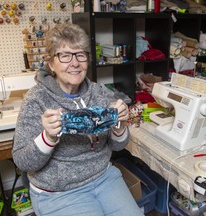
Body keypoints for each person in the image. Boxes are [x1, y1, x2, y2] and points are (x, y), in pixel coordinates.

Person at [12, 22, 144, 216]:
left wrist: (119, 126)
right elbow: (22, 162)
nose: (74, 63)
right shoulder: (36, 100)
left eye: (80, 54)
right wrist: (47, 138)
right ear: (51, 63)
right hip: (59, 192)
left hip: (104, 178)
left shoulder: (98, 92)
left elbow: (118, 146)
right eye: (65, 55)